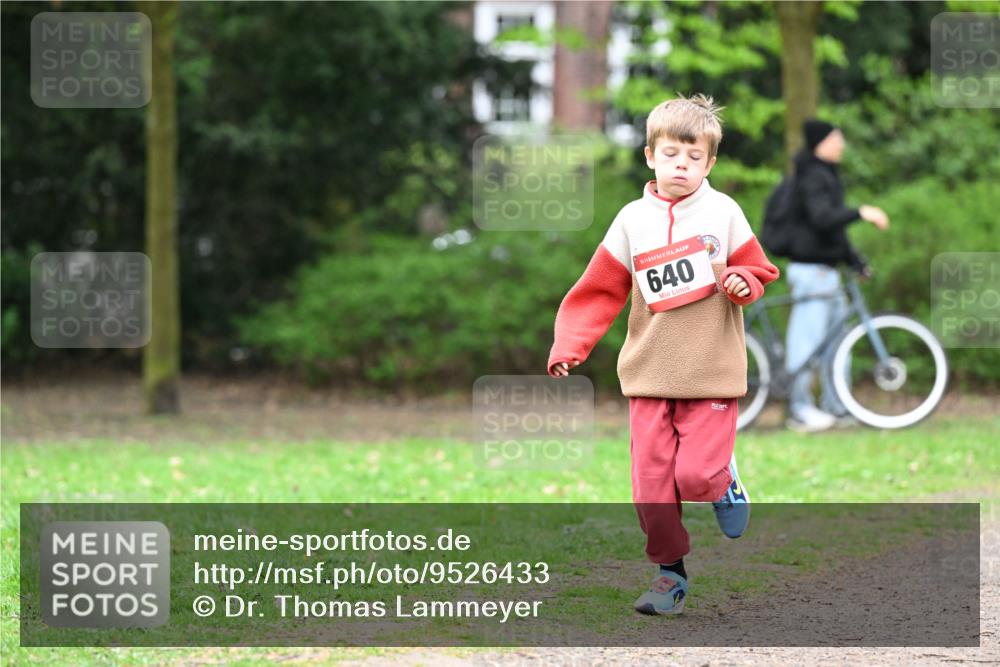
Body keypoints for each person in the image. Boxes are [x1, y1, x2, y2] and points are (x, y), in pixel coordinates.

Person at [546, 94, 779, 615]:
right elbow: (599, 290)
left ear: (710, 163)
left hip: (711, 373)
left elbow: (758, 268)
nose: (682, 165)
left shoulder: (724, 212)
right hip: (647, 373)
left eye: (694, 157)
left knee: (696, 477)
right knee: (652, 489)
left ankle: (723, 481)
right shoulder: (632, 220)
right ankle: (669, 575)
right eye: (672, 154)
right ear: (650, 156)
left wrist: (742, 280)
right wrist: (570, 344)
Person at [783, 119, 890, 433]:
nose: (841, 144)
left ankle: (837, 406)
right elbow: (823, 219)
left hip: (828, 272)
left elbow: (834, 233)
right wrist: (862, 212)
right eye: (836, 138)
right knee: (807, 344)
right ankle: (800, 410)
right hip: (812, 273)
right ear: (821, 143)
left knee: (838, 344)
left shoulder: (825, 174)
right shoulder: (812, 176)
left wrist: (856, 262)